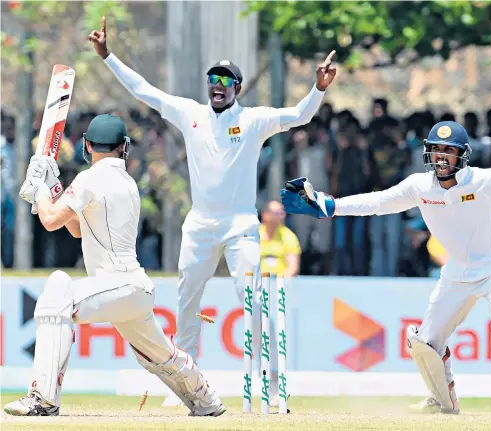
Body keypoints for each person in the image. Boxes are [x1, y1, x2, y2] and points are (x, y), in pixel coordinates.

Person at [88, 16, 336, 407]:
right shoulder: (190, 113)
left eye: (225, 82)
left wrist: (318, 89)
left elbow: (300, 116)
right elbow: (145, 91)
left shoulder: (253, 120)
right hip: (200, 225)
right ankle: (186, 387)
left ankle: (273, 390)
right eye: (213, 81)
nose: (217, 87)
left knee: (255, 302)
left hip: (240, 226)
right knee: (187, 305)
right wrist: (108, 56)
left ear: (237, 88)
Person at [281, 120, 491, 413]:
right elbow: (378, 203)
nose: (440, 157)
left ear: (462, 155)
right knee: (424, 342)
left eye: (448, 151)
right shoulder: (419, 187)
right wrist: (330, 206)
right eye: (435, 150)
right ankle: (442, 400)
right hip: (457, 273)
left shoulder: (485, 181)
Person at [4, 114, 225, 417]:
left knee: (57, 293)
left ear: (86, 145)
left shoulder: (89, 179)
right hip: (133, 289)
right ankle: (207, 400)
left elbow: (51, 220)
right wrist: (52, 188)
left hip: (115, 285)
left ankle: (43, 399)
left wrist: (40, 191)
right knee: (160, 355)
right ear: (124, 147)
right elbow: (78, 228)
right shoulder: (126, 182)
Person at [260, 200, 301, 278]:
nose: (281, 216)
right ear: (265, 215)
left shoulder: (289, 236)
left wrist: (281, 284)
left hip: (281, 282)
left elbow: (293, 268)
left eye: (282, 212)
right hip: (257, 281)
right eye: (276, 213)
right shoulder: (254, 235)